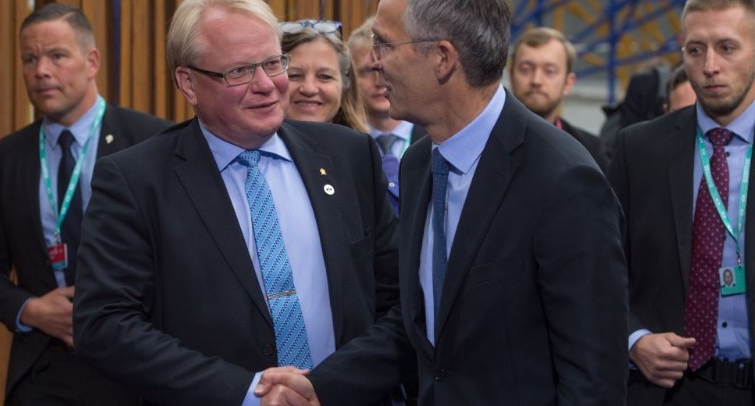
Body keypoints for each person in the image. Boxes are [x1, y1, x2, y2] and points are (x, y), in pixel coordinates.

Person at [256, 0, 628, 404]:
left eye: (384, 44)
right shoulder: (419, 164)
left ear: (442, 58)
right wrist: (320, 386)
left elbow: (593, 381)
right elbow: (422, 325)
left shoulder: (562, 180)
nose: (373, 61)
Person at [71, 0, 399, 404]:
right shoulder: (136, 181)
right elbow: (104, 325)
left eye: (273, 63)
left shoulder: (349, 156)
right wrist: (247, 393)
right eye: (239, 71)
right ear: (188, 83)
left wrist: (326, 387)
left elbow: (398, 302)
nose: (267, 84)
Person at [0, 3, 172, 404]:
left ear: (91, 61)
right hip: (47, 366)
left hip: (137, 365)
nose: (41, 70)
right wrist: (31, 310)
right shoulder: (9, 155)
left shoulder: (151, 140)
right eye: (29, 58)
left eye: (57, 55)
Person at [609, 0, 755, 403]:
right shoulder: (638, 150)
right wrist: (632, 340)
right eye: (695, 50)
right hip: (665, 389)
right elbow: (597, 269)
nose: (709, 66)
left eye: (727, 48)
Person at [348, 16, 425, 216]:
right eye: (367, 70)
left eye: (385, 67)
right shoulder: (344, 142)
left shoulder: (434, 137)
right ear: (350, 77)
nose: (379, 80)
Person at [509, 27, 609, 172]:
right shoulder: (485, 141)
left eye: (549, 71)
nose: (536, 80)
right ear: (511, 76)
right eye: (526, 69)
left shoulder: (591, 151)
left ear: (568, 83)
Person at [280, 20, 369, 132]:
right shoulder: (253, 147)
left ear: (345, 86)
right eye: (294, 75)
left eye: (325, 76)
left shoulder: (364, 148)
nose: (309, 89)